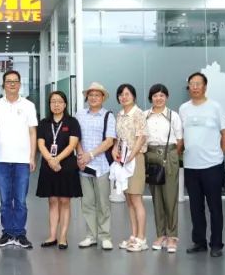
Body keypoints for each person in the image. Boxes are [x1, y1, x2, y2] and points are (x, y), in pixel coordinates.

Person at [179, 73, 225, 257]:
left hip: (212, 165)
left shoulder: (215, 107)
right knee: (195, 207)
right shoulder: (183, 108)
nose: (194, 87)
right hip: (191, 165)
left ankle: (216, 244)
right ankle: (199, 241)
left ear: (205, 87)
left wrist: (220, 154)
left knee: (214, 206)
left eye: (198, 83)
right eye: (191, 84)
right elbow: (181, 135)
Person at [0, 70, 38, 249]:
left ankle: (19, 234)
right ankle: (7, 233)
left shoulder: (28, 105)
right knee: (5, 200)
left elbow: (32, 132)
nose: (12, 84)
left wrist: (32, 156)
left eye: (15, 81)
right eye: (8, 81)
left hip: (22, 161)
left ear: (20, 84)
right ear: (3, 84)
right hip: (1, 160)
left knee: (20, 200)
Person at [35, 91, 82, 249]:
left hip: (67, 165)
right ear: (49, 105)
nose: (56, 104)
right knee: (53, 201)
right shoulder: (44, 123)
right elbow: (40, 144)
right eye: (53, 101)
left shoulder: (72, 122)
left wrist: (57, 159)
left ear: (65, 104)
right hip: (48, 165)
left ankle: (63, 237)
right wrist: (50, 159)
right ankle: (52, 236)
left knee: (64, 201)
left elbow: (72, 144)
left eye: (59, 101)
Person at [75, 82, 116, 250]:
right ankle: (91, 236)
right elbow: (76, 137)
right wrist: (80, 155)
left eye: (97, 95)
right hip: (83, 166)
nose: (93, 98)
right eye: (91, 95)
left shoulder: (108, 116)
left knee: (103, 203)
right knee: (87, 203)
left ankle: (105, 236)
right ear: (87, 97)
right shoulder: (79, 115)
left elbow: (109, 141)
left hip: (101, 166)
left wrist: (90, 155)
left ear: (103, 98)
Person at [144, 84, 182, 252]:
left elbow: (179, 140)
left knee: (170, 197)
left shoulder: (173, 116)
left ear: (166, 97)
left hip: (169, 155)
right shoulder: (145, 115)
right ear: (150, 98)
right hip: (151, 155)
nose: (158, 98)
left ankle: (172, 236)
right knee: (157, 198)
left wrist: (172, 156)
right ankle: (161, 235)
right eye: (155, 96)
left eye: (161, 95)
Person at [114, 83, 148, 252]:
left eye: (127, 94)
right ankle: (133, 235)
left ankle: (142, 238)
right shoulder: (120, 114)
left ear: (133, 96)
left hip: (135, 158)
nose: (124, 97)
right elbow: (118, 138)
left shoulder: (138, 113)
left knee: (136, 198)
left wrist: (131, 155)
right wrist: (115, 150)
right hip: (122, 159)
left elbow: (142, 137)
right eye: (121, 94)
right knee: (128, 199)